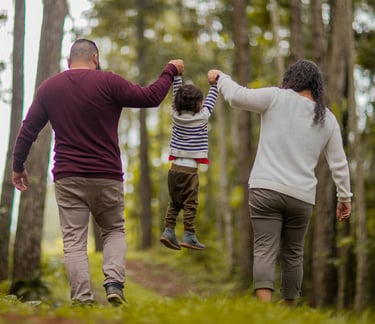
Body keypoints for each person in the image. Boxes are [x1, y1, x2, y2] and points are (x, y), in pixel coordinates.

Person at [12, 38, 184, 306]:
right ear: (95, 58)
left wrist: (18, 165)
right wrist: (170, 70)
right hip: (107, 175)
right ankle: (114, 284)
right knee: (114, 229)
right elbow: (151, 97)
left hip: (68, 176)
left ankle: (82, 300)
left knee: (74, 242)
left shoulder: (50, 88)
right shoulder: (109, 81)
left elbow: (28, 130)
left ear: (69, 62)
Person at [207, 60, 352, 304]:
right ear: (316, 85)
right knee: (294, 254)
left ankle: (265, 312)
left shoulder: (276, 97)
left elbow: (237, 97)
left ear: (292, 79)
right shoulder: (327, 118)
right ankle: (287, 311)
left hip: (266, 189)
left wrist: (221, 77)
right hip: (301, 196)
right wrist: (344, 197)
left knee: (264, 249)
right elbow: (339, 163)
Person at [159, 74, 218, 251]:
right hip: (190, 171)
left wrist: (177, 77)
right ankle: (189, 234)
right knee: (190, 204)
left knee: (174, 202)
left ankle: (168, 230)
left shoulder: (175, 115)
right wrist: (215, 84)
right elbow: (211, 100)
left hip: (174, 169)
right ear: (198, 104)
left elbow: (176, 92)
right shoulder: (202, 117)